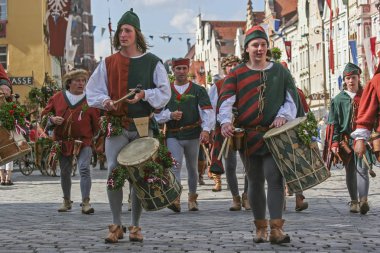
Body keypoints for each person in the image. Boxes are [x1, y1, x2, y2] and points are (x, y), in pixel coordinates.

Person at [86, 9, 171, 243]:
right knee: (114, 170)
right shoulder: (109, 62)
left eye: (128, 31)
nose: (123, 35)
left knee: (140, 174)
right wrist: (105, 101)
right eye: (121, 31)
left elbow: (165, 93)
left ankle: (135, 225)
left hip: (144, 126)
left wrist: (144, 94)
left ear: (137, 34)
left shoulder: (153, 62)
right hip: (117, 124)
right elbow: (92, 91)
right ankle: (116, 224)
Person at [217, 25, 303, 244]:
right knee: (254, 180)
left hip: (274, 134)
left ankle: (276, 229)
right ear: (247, 49)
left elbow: (291, 97)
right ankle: (260, 228)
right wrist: (226, 122)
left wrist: (284, 115)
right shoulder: (237, 74)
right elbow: (225, 100)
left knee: (275, 178)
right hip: (249, 136)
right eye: (255, 45)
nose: (260, 49)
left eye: (263, 45)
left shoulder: (280, 71)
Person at [154, 57, 214, 212]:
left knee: (193, 168)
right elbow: (157, 114)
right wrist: (170, 115)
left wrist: (206, 129)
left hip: (193, 134)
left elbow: (207, 111)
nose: (181, 71)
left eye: (184, 68)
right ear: (173, 71)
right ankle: (175, 198)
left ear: (188, 70)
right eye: (178, 68)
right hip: (173, 134)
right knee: (175, 167)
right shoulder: (166, 91)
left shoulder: (198, 90)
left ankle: (192, 198)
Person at [41, 69, 100, 215]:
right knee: (65, 172)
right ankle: (66, 201)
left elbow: (97, 124)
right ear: (69, 83)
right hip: (63, 141)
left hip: (84, 141)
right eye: (77, 80)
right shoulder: (57, 98)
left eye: (83, 81)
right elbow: (44, 116)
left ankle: (86, 202)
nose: (81, 83)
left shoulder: (90, 99)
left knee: (84, 169)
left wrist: (94, 136)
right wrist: (52, 120)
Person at [209, 55, 250, 210]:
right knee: (230, 165)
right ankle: (235, 198)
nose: (232, 67)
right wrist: (214, 127)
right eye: (229, 65)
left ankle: (247, 196)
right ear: (224, 68)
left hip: (244, 128)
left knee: (249, 166)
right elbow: (212, 108)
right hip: (225, 129)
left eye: (235, 64)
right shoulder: (218, 86)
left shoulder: (245, 83)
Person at [329, 63, 370, 214]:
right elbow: (334, 123)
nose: (351, 81)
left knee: (363, 169)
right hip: (345, 140)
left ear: (359, 78)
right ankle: (354, 201)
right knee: (350, 170)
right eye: (348, 78)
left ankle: (363, 200)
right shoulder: (338, 100)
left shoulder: (366, 96)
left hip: (363, 138)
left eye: (353, 77)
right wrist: (334, 141)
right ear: (344, 81)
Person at [280, 61, 308, 212]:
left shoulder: (296, 92)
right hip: (284, 133)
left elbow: (305, 114)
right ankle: (288, 199)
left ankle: (295, 199)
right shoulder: (296, 92)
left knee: (291, 165)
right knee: (287, 166)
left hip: (292, 132)